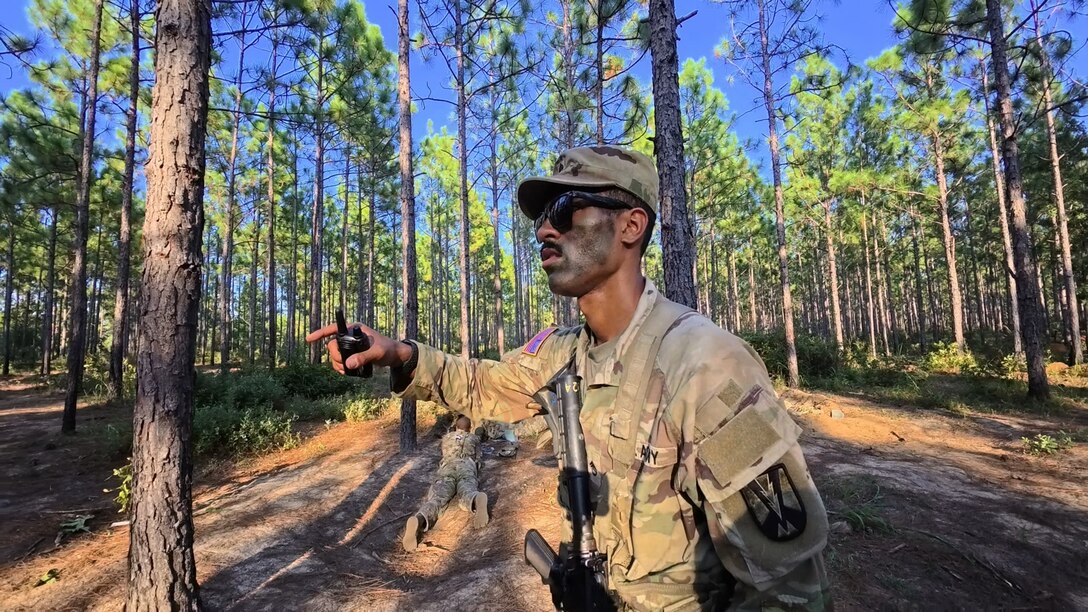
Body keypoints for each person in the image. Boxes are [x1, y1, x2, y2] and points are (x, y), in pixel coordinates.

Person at [307, 146, 831, 610]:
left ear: (631, 225)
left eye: (564, 209)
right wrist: (399, 354)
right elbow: (485, 385)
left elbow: (785, 587)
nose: (543, 230)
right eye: (540, 217)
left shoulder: (706, 366)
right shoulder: (565, 353)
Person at [402, 414, 488, 552]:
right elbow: (479, 458)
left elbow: (444, 453)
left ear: (456, 427)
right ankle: (476, 498)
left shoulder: (446, 438)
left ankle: (419, 518)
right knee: (466, 490)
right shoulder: (474, 438)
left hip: (447, 468)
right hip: (466, 466)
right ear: (469, 428)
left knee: (437, 499)